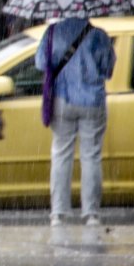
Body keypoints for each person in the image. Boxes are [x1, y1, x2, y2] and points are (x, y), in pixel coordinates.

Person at [38, 15, 115, 227]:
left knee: (61, 154)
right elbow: (108, 70)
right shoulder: (98, 35)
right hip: (92, 101)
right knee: (91, 156)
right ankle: (91, 214)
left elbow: (40, 63)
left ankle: (58, 213)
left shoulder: (52, 32)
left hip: (62, 99)